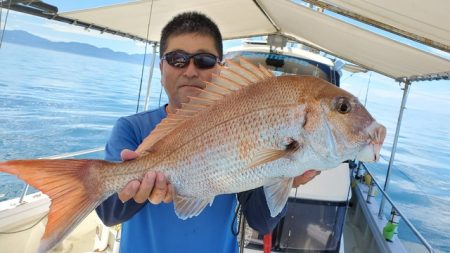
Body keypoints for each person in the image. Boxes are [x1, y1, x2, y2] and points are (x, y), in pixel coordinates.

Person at [95, 11, 320, 253]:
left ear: (220, 70)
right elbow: (109, 213)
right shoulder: (132, 128)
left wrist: (285, 176)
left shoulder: (244, 126)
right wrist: (135, 188)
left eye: (204, 60)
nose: (191, 71)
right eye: (177, 59)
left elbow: (261, 221)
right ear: (162, 68)